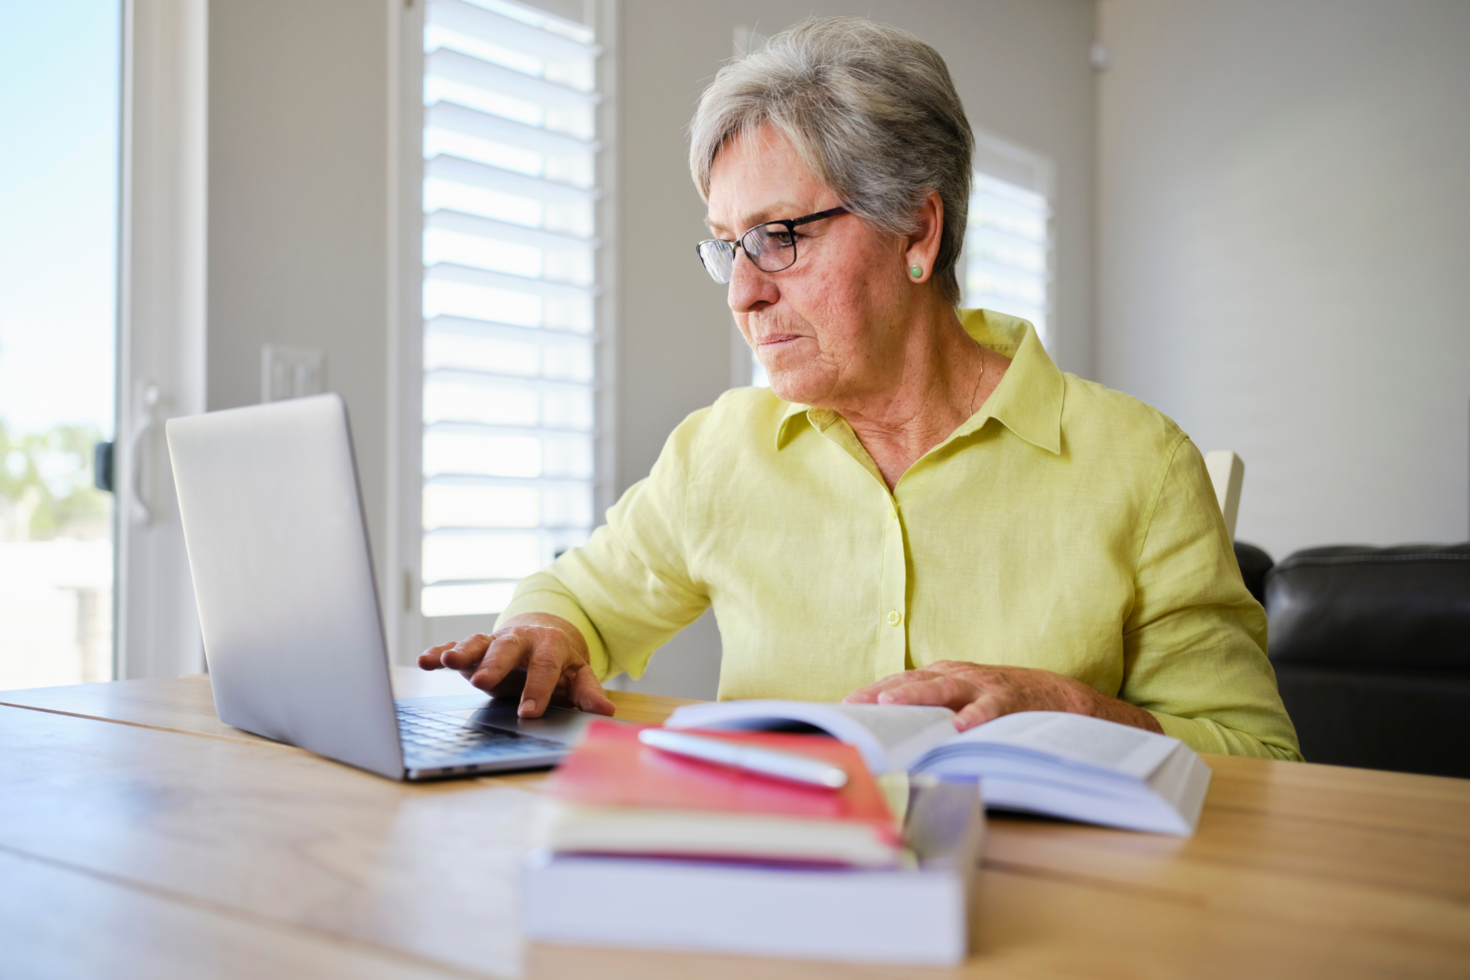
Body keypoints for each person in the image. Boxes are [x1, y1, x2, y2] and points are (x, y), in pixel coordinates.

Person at [420, 17, 1301, 760]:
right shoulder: (719, 452)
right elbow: (573, 596)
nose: (743, 292)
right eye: (727, 245)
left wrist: (1076, 713)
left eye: (780, 236)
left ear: (918, 231)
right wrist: (544, 633)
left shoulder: (1141, 467)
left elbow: (1260, 759)